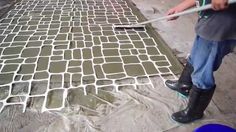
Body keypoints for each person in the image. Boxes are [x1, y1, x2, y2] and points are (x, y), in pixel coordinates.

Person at [165, 0, 236, 123]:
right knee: (195, 56)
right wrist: (180, 7)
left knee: (203, 70)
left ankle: (194, 112)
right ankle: (184, 85)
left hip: (219, 26)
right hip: (208, 21)